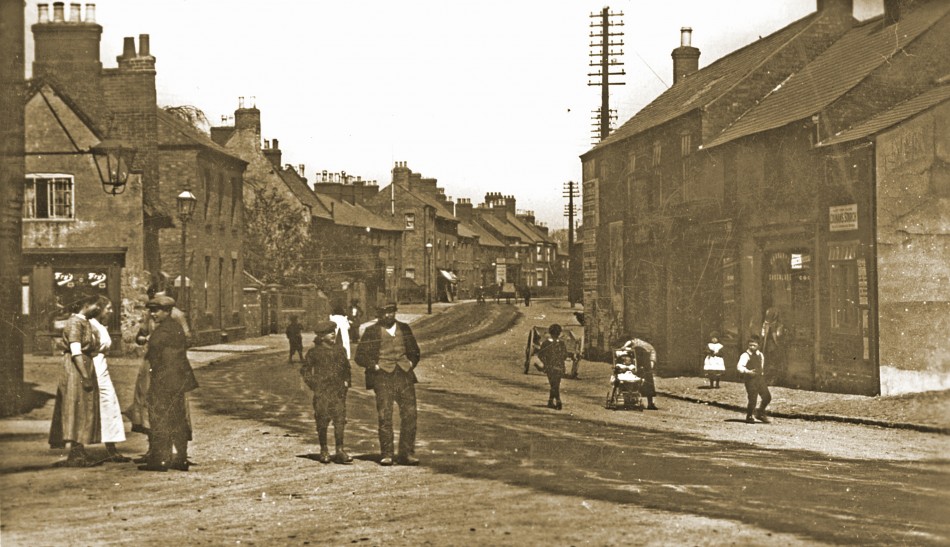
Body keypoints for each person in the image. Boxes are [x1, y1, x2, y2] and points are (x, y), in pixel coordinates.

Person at [354, 302, 421, 466]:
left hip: (404, 376)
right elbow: (359, 356)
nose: (388, 315)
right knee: (385, 415)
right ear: (379, 315)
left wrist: (411, 363)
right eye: (384, 313)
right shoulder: (372, 332)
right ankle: (387, 454)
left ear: (395, 312)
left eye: (391, 312)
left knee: (410, 414)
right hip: (383, 377)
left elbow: (415, 351)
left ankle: (407, 453)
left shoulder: (405, 329)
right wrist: (374, 366)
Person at [128, 292, 192, 463]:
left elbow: (183, 340)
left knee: (160, 413)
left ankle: (161, 456)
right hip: (171, 373)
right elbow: (140, 337)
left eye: (157, 310)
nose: (153, 313)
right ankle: (169, 454)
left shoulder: (171, 323)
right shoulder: (159, 320)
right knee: (164, 413)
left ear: (167, 309)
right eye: (152, 309)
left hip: (163, 374)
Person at [49, 294, 102, 467]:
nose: (99, 308)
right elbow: (76, 351)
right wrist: (85, 376)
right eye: (96, 305)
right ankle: (75, 452)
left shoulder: (85, 321)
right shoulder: (74, 323)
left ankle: (79, 449)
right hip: (76, 369)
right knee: (75, 406)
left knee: (83, 407)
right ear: (86, 304)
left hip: (85, 366)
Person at [301, 320, 352, 464]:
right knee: (322, 420)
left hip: (338, 391)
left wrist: (347, 381)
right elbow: (305, 371)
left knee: (340, 420)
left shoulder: (340, 350)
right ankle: (324, 450)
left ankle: (340, 450)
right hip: (322, 391)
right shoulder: (314, 352)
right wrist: (314, 385)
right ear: (321, 336)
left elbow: (346, 368)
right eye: (329, 333)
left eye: (334, 332)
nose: (333, 334)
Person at [88, 296, 130, 463]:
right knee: (91, 405)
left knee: (109, 405)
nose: (111, 311)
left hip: (102, 368)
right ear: (98, 309)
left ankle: (111, 448)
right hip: (93, 368)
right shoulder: (90, 325)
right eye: (108, 308)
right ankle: (78, 449)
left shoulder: (100, 326)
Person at [736, 334, 771, 424]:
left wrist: (761, 374)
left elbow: (761, 366)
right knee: (753, 399)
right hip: (750, 380)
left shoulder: (760, 355)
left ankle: (760, 412)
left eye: (754, 345)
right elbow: (739, 366)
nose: (752, 347)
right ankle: (749, 416)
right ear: (748, 345)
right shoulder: (745, 355)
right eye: (750, 345)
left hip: (760, 379)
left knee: (767, 397)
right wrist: (747, 371)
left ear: (758, 345)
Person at [620, 335, 659, 410]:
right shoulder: (651, 347)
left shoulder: (637, 341)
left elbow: (630, 342)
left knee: (631, 382)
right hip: (645, 366)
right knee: (648, 384)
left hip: (637, 365)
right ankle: (650, 404)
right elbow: (652, 361)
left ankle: (629, 400)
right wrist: (649, 368)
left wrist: (624, 346)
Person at [534, 323, 568, 410]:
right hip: (560, 367)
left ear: (550, 332)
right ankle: (553, 401)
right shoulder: (562, 344)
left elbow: (540, 355)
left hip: (550, 367)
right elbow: (565, 355)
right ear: (559, 333)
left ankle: (557, 401)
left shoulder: (546, 343)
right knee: (556, 384)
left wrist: (546, 362)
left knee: (553, 384)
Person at [760, 307, 786, 385]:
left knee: (775, 362)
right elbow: (762, 334)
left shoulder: (779, 324)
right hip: (766, 346)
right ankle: (766, 379)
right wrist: (765, 328)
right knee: (766, 362)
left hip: (775, 346)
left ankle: (775, 379)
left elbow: (779, 335)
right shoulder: (765, 324)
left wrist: (775, 330)